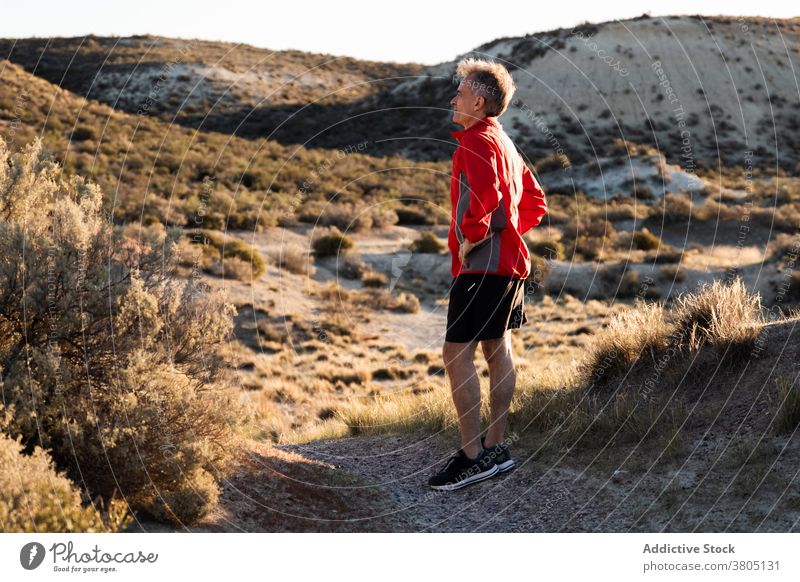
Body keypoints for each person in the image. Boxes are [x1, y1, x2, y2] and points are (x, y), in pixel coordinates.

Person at [428, 57, 548, 491]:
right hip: (512, 265)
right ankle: (495, 447)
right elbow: (534, 202)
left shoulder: (475, 141)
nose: (452, 99)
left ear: (478, 101)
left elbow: (486, 195)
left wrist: (474, 238)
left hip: (482, 267)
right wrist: (508, 232)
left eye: (459, 93)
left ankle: (473, 456)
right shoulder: (505, 142)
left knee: (455, 355)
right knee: (498, 350)